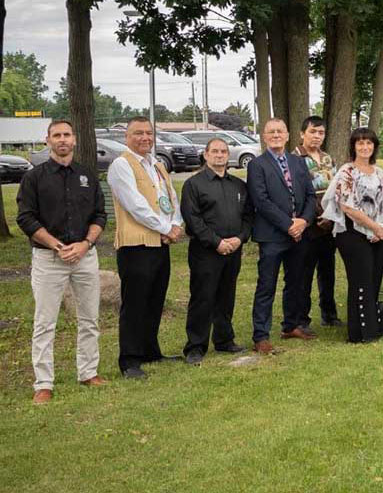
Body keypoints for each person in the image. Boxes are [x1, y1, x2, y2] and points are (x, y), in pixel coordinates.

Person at [18, 119, 108, 403]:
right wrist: (57, 246)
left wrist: (85, 244)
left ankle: (88, 372)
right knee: (45, 323)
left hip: (85, 256)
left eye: (67, 134)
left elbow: (100, 215)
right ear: (48, 140)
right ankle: (44, 383)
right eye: (56, 135)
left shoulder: (86, 175)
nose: (62, 140)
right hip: (49, 258)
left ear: (74, 139)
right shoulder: (34, 178)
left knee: (90, 319)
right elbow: (26, 218)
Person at [107, 116, 183, 378]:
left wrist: (175, 224)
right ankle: (130, 359)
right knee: (135, 302)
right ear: (126, 137)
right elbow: (135, 205)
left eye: (149, 133)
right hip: (135, 245)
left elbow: (171, 198)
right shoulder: (121, 165)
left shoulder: (157, 165)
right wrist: (166, 228)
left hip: (160, 244)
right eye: (138, 133)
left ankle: (151, 351)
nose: (145, 138)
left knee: (154, 299)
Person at [247, 117, 318, 353]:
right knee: (267, 285)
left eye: (280, 131)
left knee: (296, 282)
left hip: (299, 234)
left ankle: (291, 325)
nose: (276, 135)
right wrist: (289, 225)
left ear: (287, 135)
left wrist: (304, 221)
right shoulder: (257, 165)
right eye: (271, 132)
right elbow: (261, 201)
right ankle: (261, 336)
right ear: (264, 137)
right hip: (272, 236)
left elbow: (310, 195)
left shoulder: (298, 162)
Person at [180, 137, 253, 365]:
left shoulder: (238, 185)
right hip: (206, 251)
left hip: (233, 250)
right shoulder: (194, 185)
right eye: (215, 151)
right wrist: (216, 242)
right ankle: (195, 346)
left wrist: (240, 239)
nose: (219, 155)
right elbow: (193, 220)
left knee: (226, 296)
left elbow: (248, 217)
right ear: (206, 154)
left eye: (223, 151)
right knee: (203, 297)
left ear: (228, 155)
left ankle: (224, 340)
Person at [321, 128, 383, 344]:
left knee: (374, 279)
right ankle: (363, 333)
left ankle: (368, 327)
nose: (365, 147)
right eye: (360, 143)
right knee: (361, 281)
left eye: (369, 143)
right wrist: (374, 227)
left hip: (378, 233)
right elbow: (348, 206)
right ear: (353, 147)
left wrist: (382, 228)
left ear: (374, 146)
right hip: (352, 233)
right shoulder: (347, 172)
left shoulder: (380, 173)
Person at [293, 116, 341, 328]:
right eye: (313, 132)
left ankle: (329, 315)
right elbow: (295, 194)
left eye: (321, 133)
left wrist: (330, 216)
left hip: (329, 225)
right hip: (307, 225)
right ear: (302, 134)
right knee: (304, 275)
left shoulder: (328, 159)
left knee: (327, 273)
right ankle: (301, 319)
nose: (317, 136)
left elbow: (336, 189)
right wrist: (312, 217)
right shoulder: (294, 159)